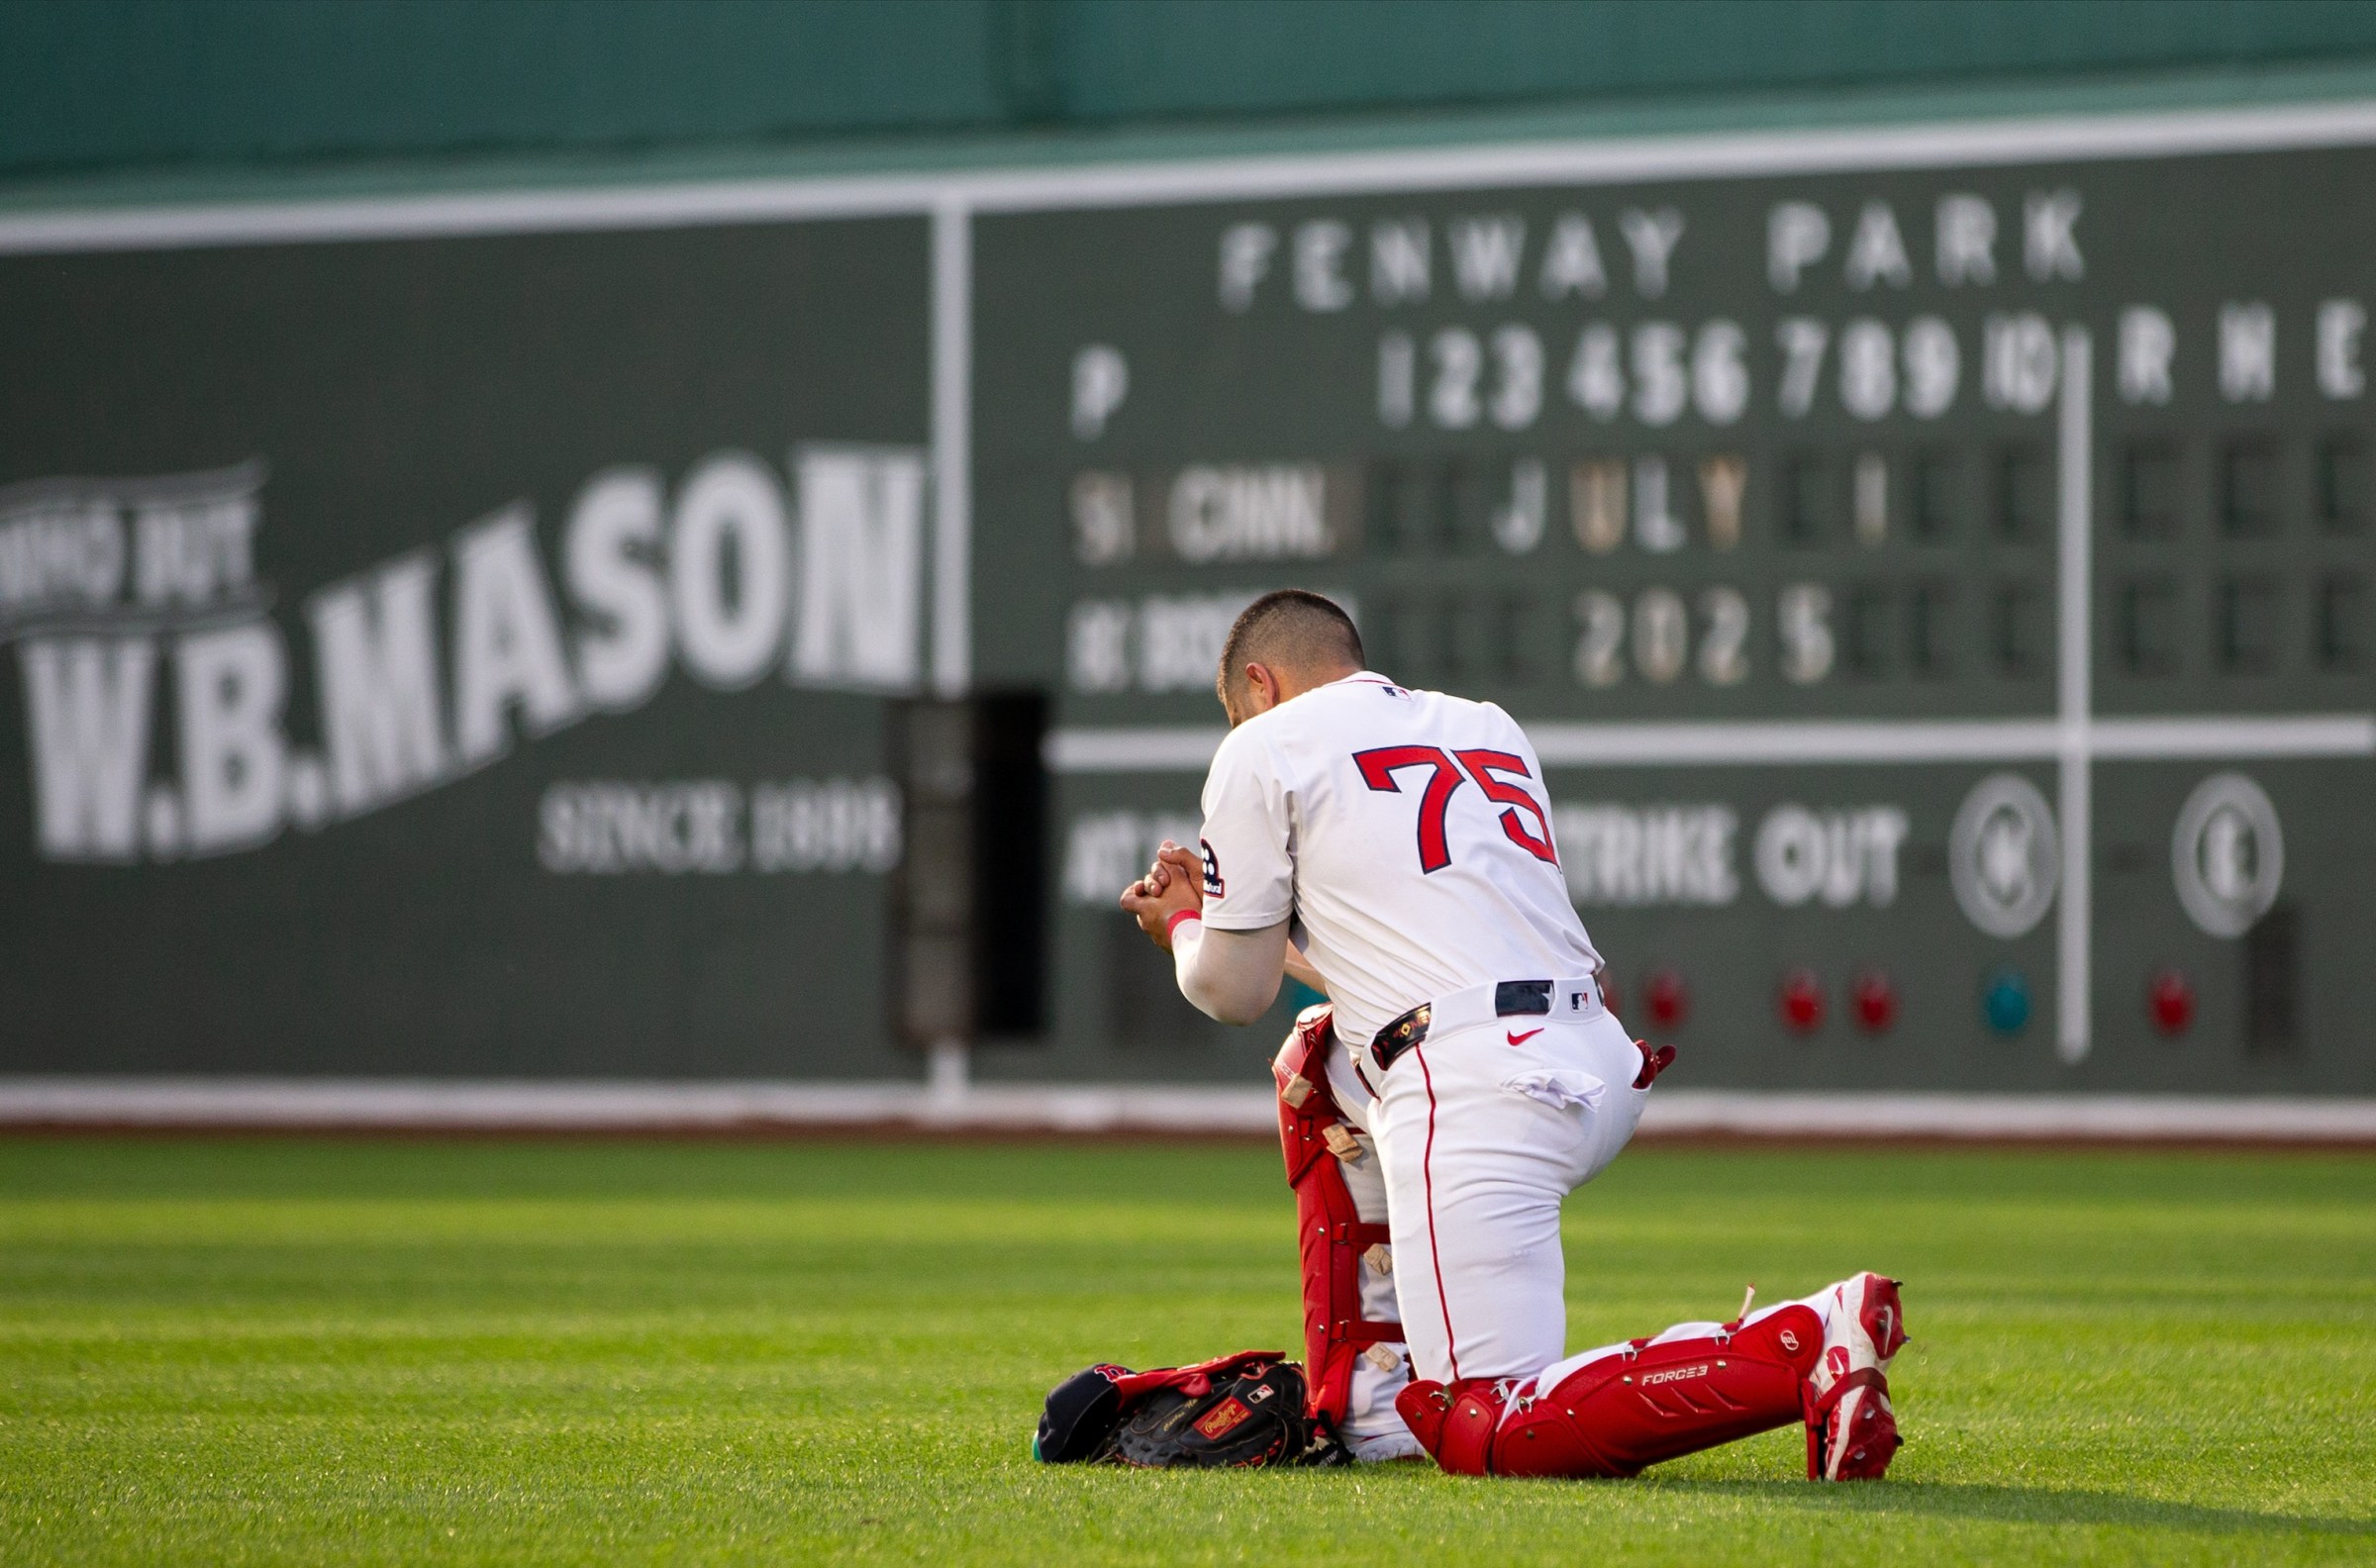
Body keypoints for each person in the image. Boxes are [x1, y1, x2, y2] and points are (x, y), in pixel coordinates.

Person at [1119, 588, 1906, 1479]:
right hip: (1592, 1056)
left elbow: (1231, 989)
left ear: (1258, 684)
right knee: (1319, 1059)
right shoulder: (1484, 724)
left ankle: (1803, 1345)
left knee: (1488, 1426)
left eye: (1236, 710)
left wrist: (1186, 925)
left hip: (1477, 1087)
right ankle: (1375, 1404)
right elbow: (1412, 960)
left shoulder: (1260, 743)